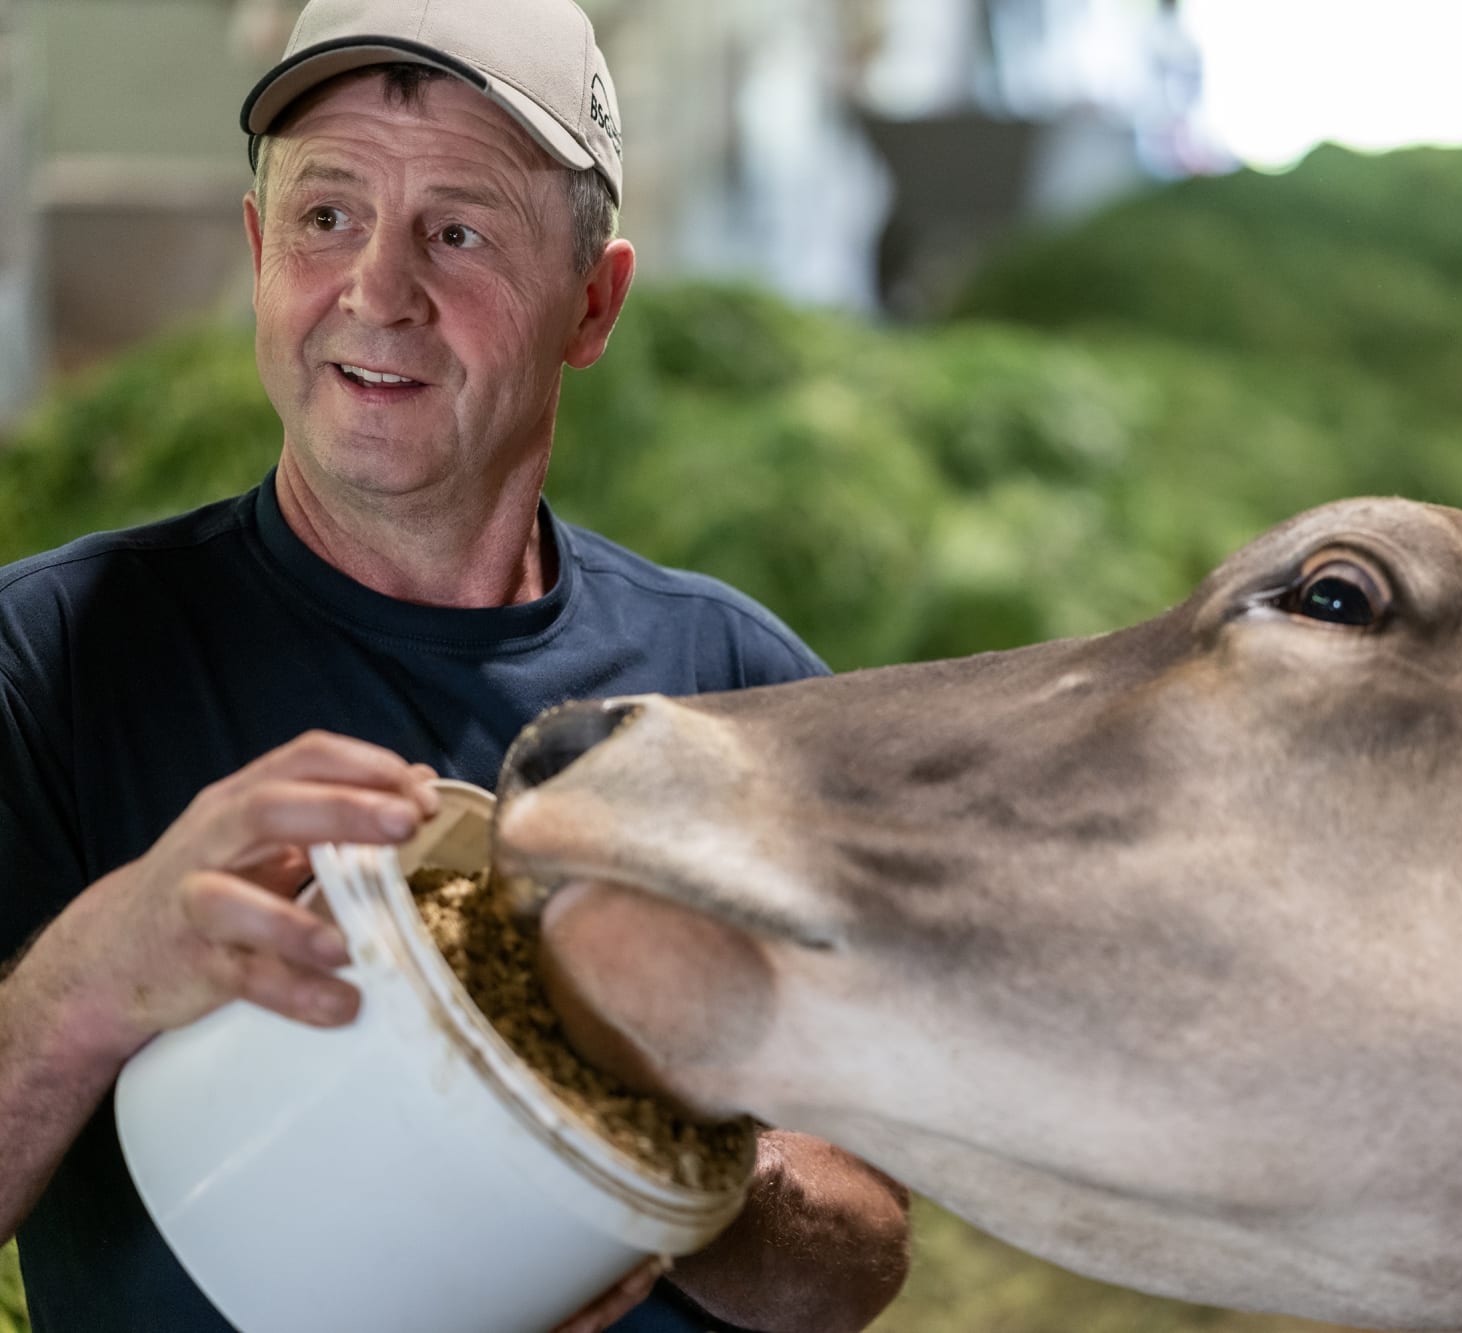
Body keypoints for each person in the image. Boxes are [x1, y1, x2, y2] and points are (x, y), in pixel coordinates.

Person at [0, 1, 912, 1330]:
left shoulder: (741, 693)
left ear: (591, 305)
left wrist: (662, 1169)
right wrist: (98, 969)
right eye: (327, 218)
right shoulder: (51, 658)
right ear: (259, 254)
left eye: (460, 230)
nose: (376, 292)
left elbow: (864, 1253)